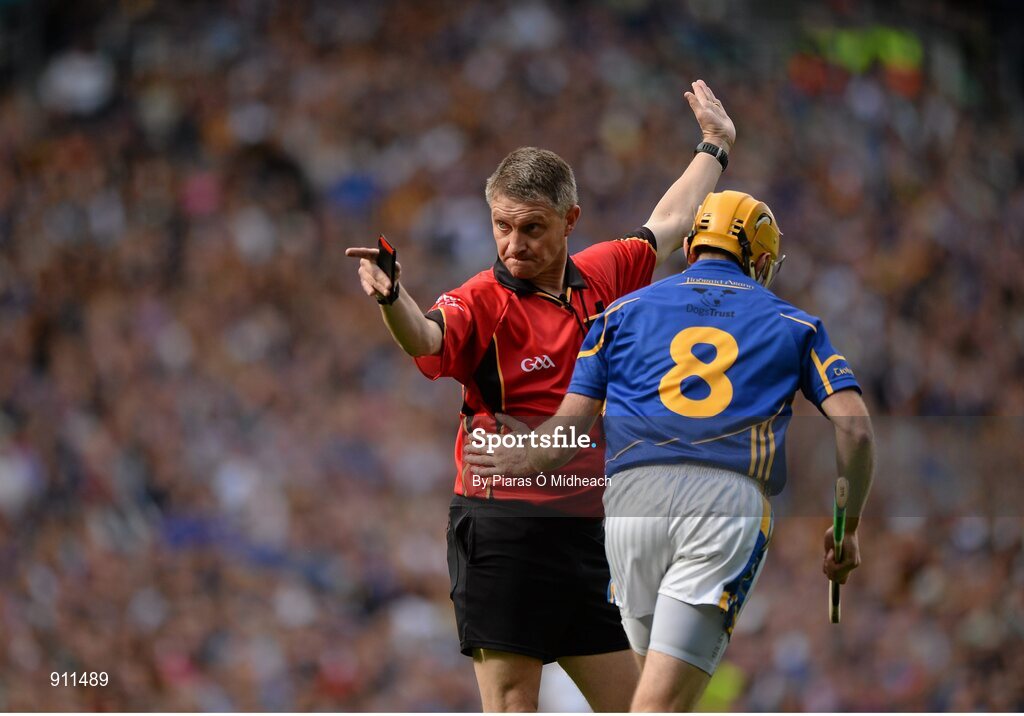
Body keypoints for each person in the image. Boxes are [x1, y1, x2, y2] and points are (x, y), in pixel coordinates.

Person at [345, 80, 735, 711]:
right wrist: (394, 299)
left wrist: (714, 147)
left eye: (532, 227)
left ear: (570, 221)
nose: (514, 244)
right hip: (503, 530)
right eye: (502, 226)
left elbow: (668, 222)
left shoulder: (602, 274)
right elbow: (425, 338)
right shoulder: (481, 302)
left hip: (589, 537)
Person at [465, 190, 875, 711]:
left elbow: (561, 440)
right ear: (763, 260)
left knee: (645, 700)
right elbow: (856, 431)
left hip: (629, 505)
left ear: (688, 245)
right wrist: (850, 525)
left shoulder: (619, 313)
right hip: (724, 504)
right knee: (658, 707)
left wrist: (519, 458)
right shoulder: (795, 325)